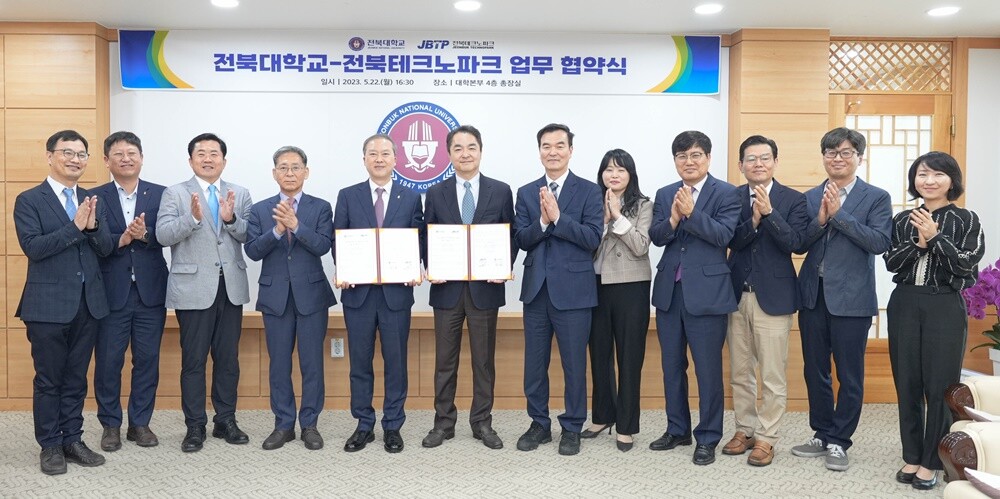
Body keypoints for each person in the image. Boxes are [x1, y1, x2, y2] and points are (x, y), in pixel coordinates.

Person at [791, 127, 892, 472]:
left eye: (846, 152)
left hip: (852, 298)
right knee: (815, 369)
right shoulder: (809, 197)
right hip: (812, 296)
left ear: (859, 158)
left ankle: (840, 440)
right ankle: (822, 432)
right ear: (823, 157)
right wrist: (820, 220)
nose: (838, 158)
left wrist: (839, 215)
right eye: (831, 152)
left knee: (849, 375)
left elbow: (879, 242)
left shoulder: (876, 197)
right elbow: (799, 243)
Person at [14, 129, 115, 474]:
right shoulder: (29, 200)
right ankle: (50, 445)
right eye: (67, 152)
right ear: (50, 156)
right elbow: (34, 248)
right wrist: (75, 226)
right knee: (49, 380)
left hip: (89, 304)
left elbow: (105, 248)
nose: (75, 159)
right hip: (47, 306)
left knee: (76, 379)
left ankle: (72, 439)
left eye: (81, 154)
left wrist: (92, 227)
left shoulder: (91, 198)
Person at [884, 151, 985, 490]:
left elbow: (966, 265)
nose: (929, 181)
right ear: (914, 181)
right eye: (922, 174)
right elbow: (892, 262)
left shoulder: (966, 219)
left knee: (940, 385)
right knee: (907, 381)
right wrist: (920, 242)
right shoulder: (902, 220)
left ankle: (932, 461)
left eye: (938, 174)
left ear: (951, 180)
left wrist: (937, 237)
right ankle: (912, 455)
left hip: (944, 304)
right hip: (905, 302)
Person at [156, 132, 253, 453]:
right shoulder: (175, 193)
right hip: (193, 287)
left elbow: (248, 235)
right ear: (190, 160)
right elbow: (163, 235)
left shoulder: (240, 193)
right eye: (201, 153)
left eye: (214, 154)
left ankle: (225, 420)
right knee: (194, 361)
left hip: (231, 287)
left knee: (228, 360)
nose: (208, 159)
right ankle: (195, 425)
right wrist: (193, 218)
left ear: (224, 160)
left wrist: (231, 218)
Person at [649, 130, 740, 465]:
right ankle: (677, 429)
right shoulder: (665, 193)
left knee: (707, 370)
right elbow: (657, 236)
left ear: (708, 158)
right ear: (675, 160)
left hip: (708, 294)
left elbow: (724, 236)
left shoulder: (727, 193)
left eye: (696, 155)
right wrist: (674, 218)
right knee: (672, 366)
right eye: (682, 156)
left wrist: (692, 213)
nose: (689, 161)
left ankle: (708, 437)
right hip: (670, 293)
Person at [421, 125, 515, 450]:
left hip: (485, 289)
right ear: (449, 154)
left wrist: (503, 266)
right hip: (446, 289)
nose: (465, 154)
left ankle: (482, 422)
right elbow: (426, 235)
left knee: (483, 361)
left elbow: (510, 235)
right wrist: (431, 265)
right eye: (458, 148)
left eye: (471, 147)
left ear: (481, 151)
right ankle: (443, 423)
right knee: (444, 362)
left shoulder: (500, 191)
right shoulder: (436, 192)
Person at [513, 123, 603, 456]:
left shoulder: (590, 191)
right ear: (539, 151)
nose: (553, 152)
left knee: (574, 365)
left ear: (570, 150)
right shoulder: (526, 192)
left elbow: (592, 238)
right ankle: (539, 423)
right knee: (534, 365)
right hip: (537, 291)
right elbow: (522, 239)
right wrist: (541, 222)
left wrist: (558, 218)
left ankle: (572, 426)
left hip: (575, 292)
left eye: (559, 146)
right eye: (546, 146)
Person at [333, 133, 425, 454]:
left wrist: (415, 265)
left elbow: (418, 239)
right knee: (360, 363)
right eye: (373, 153)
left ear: (396, 159)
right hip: (357, 294)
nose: (379, 158)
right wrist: (344, 268)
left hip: (396, 294)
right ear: (364, 160)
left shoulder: (410, 197)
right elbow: (338, 239)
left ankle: (393, 425)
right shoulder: (348, 195)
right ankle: (363, 424)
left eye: (385, 153)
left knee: (396, 363)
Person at [722, 135, 809, 466]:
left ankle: (767, 437)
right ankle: (744, 430)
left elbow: (795, 244)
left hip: (774, 297)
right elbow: (730, 240)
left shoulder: (794, 199)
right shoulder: (730, 197)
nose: (758, 164)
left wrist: (769, 214)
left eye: (764, 158)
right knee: (740, 371)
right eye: (751, 158)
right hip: (735, 294)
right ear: (740, 164)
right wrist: (754, 220)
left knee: (772, 374)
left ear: (775, 162)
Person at [245, 146, 336, 451]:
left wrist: (296, 226)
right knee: (279, 364)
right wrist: (277, 230)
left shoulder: (320, 207)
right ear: (274, 173)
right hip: (275, 297)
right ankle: (283, 424)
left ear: (306, 172)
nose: (290, 173)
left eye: (296, 167)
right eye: (283, 167)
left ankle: (309, 424)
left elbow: (323, 246)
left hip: (312, 295)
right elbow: (252, 251)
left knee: (312, 364)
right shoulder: (260, 209)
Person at [91, 132, 168, 452]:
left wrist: (145, 234)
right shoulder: (93, 197)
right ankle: (110, 425)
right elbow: (92, 241)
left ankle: (140, 423)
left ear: (142, 158)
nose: (126, 158)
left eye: (132, 153)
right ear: (106, 160)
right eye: (119, 154)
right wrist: (121, 239)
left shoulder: (161, 194)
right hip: (111, 292)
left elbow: (169, 235)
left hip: (150, 292)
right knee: (109, 361)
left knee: (147, 360)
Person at [581, 149, 652, 453]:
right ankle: (602, 416)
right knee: (599, 354)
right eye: (608, 169)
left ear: (630, 175)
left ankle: (626, 425)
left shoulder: (644, 205)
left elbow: (641, 246)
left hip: (631, 286)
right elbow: (584, 245)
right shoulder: (590, 203)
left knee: (629, 357)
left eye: (621, 170)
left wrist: (618, 217)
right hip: (596, 285)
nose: (614, 175)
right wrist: (603, 220)